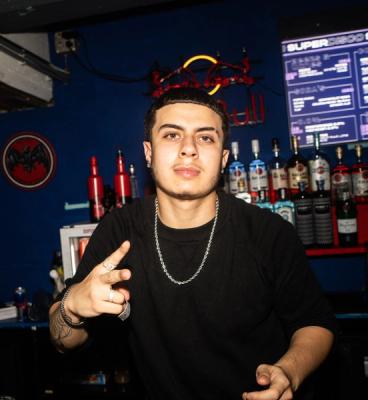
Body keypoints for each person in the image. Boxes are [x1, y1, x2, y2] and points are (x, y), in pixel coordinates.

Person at [49, 87, 336, 400]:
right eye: (172, 135)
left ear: (223, 158)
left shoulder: (268, 232)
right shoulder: (118, 230)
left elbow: (315, 324)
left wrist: (289, 372)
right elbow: (63, 339)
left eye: (206, 137)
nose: (189, 149)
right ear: (148, 152)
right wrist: (71, 308)